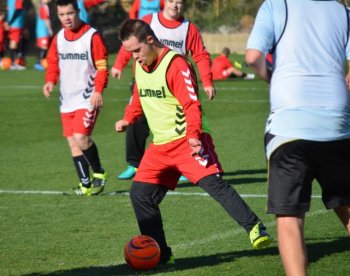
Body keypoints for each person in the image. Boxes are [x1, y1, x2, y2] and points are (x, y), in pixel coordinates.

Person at [115, 19, 273, 264]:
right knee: (139, 194)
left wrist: (193, 136)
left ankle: (254, 227)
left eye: (136, 50)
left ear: (149, 40)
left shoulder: (176, 64)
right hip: (160, 147)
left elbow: (191, 104)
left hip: (187, 141)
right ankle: (160, 253)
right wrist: (128, 118)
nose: (134, 57)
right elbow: (139, 96)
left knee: (214, 184)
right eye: (130, 53)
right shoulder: (140, 66)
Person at [245, 1, 350, 275]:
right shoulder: (342, 11)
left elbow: (253, 57)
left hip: (289, 125)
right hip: (336, 122)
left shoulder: (276, 5)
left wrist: (273, 77)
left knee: (290, 217)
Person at [112, 0, 215, 181]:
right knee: (135, 121)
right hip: (146, 81)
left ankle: (186, 165)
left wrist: (207, 81)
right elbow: (129, 45)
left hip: (174, 85)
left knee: (179, 125)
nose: (175, 6)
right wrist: (119, 65)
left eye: (179, 2)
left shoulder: (188, 28)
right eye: (171, 1)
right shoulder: (148, 21)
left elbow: (200, 54)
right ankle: (134, 164)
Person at [42, 0, 109, 196]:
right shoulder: (59, 37)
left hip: (87, 98)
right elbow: (53, 63)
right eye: (62, 15)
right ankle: (85, 185)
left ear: (78, 11)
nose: (66, 18)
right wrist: (50, 81)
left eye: (70, 14)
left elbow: (102, 66)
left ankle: (99, 172)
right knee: (73, 142)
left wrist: (98, 91)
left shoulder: (92, 36)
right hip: (66, 99)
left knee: (81, 137)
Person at [6, 0, 26, 70]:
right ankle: (13, 64)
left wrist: (7, 22)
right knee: (14, 43)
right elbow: (18, 9)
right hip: (16, 24)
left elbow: (8, 11)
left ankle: (13, 63)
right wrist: (10, 22)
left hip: (13, 24)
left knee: (14, 43)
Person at [34, 0, 53, 71]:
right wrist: (50, 29)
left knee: (43, 47)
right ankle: (39, 63)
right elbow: (46, 19)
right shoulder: (45, 7)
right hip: (43, 30)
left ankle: (40, 63)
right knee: (44, 47)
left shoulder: (42, 7)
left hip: (41, 30)